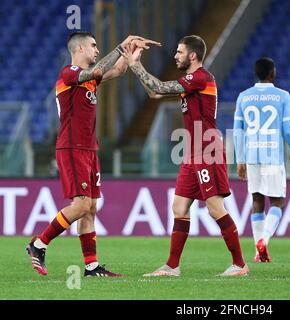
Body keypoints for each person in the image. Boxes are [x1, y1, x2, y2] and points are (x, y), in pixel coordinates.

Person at [26, 31, 156, 277]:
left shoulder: (88, 79)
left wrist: (132, 54)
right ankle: (39, 243)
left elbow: (116, 71)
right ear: (80, 49)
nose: (97, 50)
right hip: (72, 147)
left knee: (91, 207)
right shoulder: (69, 74)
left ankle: (92, 266)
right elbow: (96, 71)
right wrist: (121, 45)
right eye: (94, 46)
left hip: (89, 148)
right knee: (81, 204)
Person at [121, 35, 249, 277]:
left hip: (207, 149)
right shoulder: (190, 82)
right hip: (193, 151)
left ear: (192, 55)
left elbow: (159, 87)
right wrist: (136, 64)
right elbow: (154, 94)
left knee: (214, 208)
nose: (175, 56)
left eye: (179, 52)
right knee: (179, 206)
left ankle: (240, 264)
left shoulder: (200, 78)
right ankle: (172, 266)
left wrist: (134, 65)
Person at [233, 57, 290, 263]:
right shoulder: (282, 96)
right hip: (272, 155)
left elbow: (237, 131)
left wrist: (240, 159)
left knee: (257, 201)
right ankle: (264, 240)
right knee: (278, 202)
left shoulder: (243, 96)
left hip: (252, 155)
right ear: (272, 74)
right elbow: (288, 129)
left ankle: (257, 252)